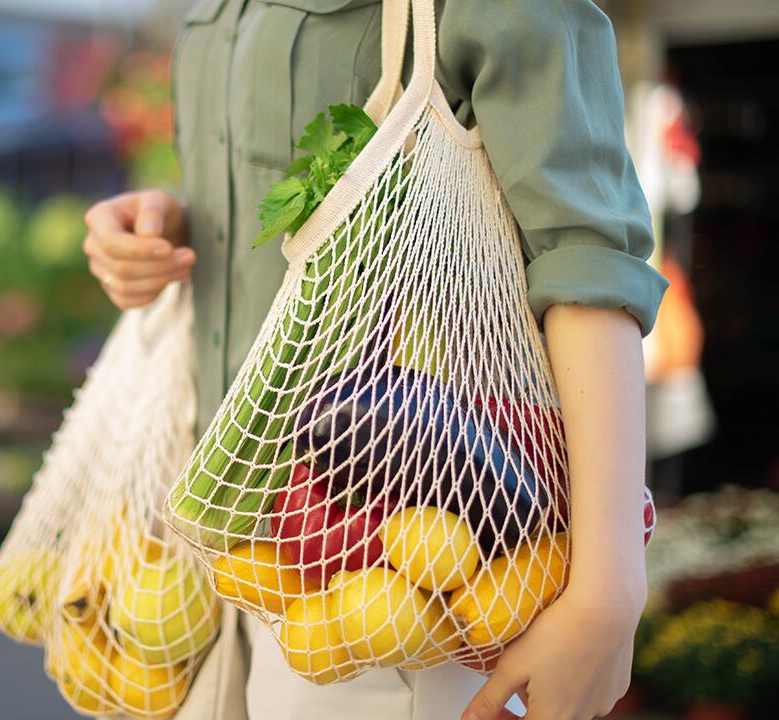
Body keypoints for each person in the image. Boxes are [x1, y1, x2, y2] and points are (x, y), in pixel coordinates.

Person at [82, 0, 667, 718]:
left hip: (405, 573)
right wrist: (173, 218)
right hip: (223, 559)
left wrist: (609, 592)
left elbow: (584, 258)